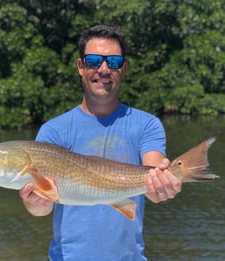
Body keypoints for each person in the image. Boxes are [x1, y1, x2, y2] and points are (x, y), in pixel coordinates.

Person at [20, 24, 182, 261]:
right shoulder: (53, 131)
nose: (104, 69)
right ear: (80, 66)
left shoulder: (147, 124)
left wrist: (164, 186)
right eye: (94, 60)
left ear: (123, 69)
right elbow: (42, 208)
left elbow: (155, 171)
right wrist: (33, 202)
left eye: (113, 62)